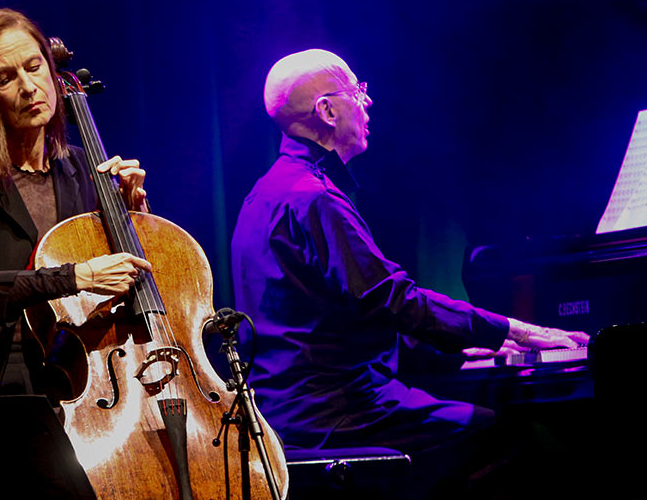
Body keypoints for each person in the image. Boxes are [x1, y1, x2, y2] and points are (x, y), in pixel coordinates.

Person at [230, 49, 589, 494]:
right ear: (326, 110)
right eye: (357, 90)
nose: (367, 102)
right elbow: (391, 299)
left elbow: (332, 320)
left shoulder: (264, 195)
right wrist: (512, 330)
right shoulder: (313, 198)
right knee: (513, 438)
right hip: (337, 411)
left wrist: (456, 351)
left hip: (289, 410)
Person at [0, 8, 151, 403]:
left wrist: (134, 217)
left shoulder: (83, 167)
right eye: (6, 78)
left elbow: (125, 285)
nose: (29, 87)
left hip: (82, 373)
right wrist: (74, 276)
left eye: (34, 67)